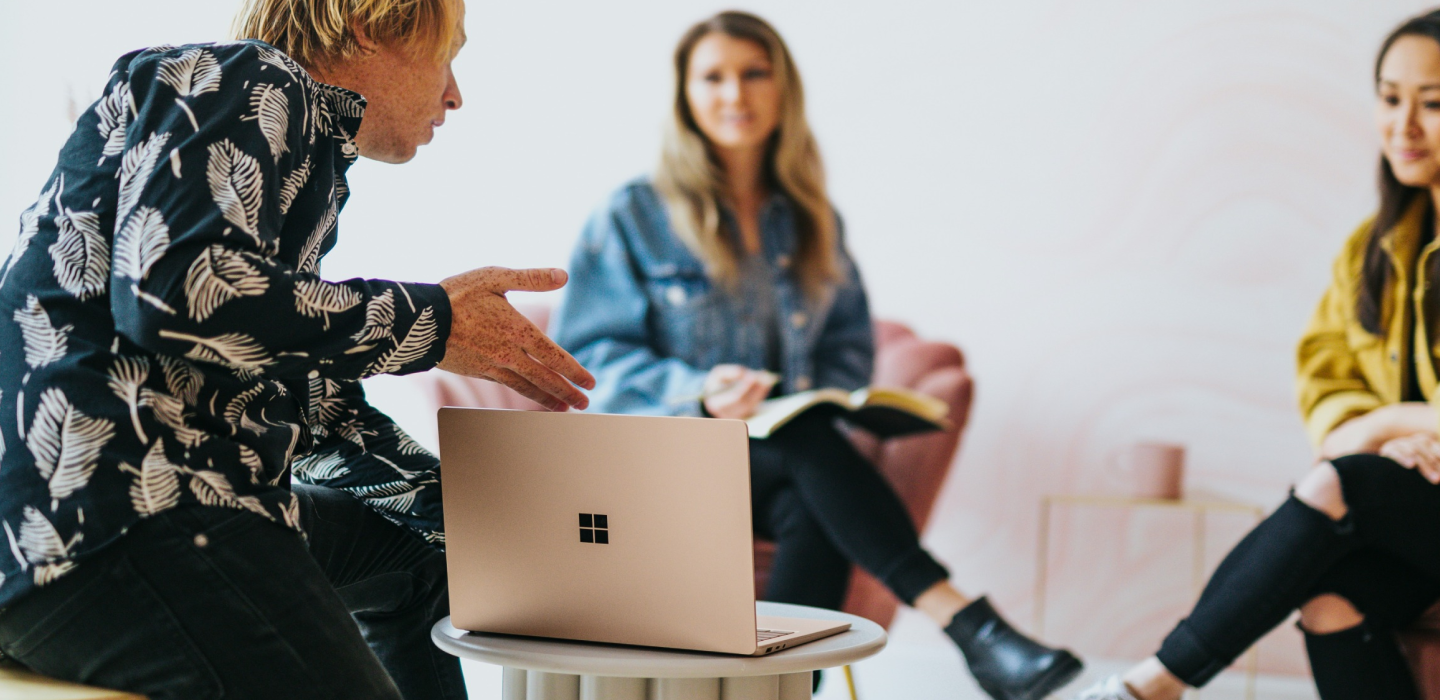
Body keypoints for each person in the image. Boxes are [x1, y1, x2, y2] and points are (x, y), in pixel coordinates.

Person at [0, 0, 595, 698]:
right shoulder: (250, 77)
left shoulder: (280, 144)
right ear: (373, 23)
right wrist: (433, 322)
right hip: (115, 517)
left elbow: (313, 410)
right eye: (446, 52)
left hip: (80, 530)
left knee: (418, 557)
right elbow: (177, 292)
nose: (455, 92)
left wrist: (480, 523)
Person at [548, 11, 1082, 700]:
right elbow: (588, 357)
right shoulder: (633, 214)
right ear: (685, 94)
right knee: (808, 446)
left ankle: (772, 691)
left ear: (783, 90)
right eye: (713, 77)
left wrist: (821, 394)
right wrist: (700, 392)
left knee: (809, 473)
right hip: (667, 470)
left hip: (773, 473)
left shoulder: (811, 222)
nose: (735, 94)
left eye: (753, 74)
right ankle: (966, 624)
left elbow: (847, 349)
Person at [1073, 9, 1440, 700]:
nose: (1404, 126)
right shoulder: (1375, 248)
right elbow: (1327, 380)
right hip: (1421, 508)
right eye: (1390, 99)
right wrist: (1392, 431)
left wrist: (1398, 428)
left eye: (1433, 103)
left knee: (1342, 485)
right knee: (1332, 599)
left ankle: (1152, 687)